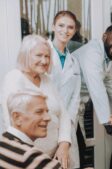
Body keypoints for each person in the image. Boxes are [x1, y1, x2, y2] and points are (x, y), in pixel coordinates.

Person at [1, 35, 71, 169]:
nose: (44, 61)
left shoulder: (47, 79)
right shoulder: (14, 78)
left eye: (47, 56)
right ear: (26, 55)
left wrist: (64, 143)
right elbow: (12, 123)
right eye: (39, 55)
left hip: (56, 155)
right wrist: (35, 158)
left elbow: (63, 114)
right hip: (30, 159)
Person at [73, 25, 112, 124]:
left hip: (77, 104)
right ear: (104, 37)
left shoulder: (106, 56)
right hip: (66, 103)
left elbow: (111, 82)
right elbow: (97, 88)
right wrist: (107, 123)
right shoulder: (92, 52)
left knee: (77, 137)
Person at [48, 10, 81, 168]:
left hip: (66, 126)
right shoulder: (41, 54)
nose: (65, 30)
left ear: (74, 31)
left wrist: (66, 133)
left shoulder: (74, 62)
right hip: (43, 124)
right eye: (61, 25)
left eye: (70, 27)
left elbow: (75, 99)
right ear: (53, 27)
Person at [0, 90, 62, 169]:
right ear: (17, 117)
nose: (48, 118)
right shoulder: (28, 155)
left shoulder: (3, 141)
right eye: (39, 112)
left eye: (47, 111)